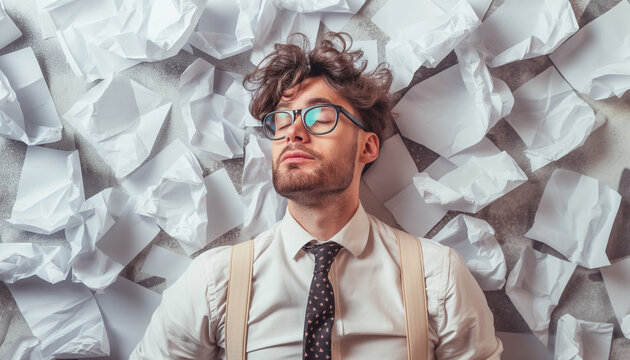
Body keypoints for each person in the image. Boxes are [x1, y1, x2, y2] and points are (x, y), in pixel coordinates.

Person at [131, 32, 502, 359]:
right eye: (281, 120)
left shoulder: (437, 278)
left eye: (319, 117)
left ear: (368, 147)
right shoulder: (215, 281)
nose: (293, 132)